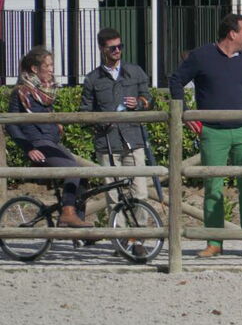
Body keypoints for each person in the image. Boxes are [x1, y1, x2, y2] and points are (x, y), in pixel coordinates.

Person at [168, 13, 242, 259]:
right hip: (213, 131)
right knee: (213, 188)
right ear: (232, 33)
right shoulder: (201, 56)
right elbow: (176, 80)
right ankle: (214, 241)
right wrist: (185, 113)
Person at [79, 28, 152, 248]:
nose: (117, 51)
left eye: (120, 46)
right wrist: (101, 120)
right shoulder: (92, 79)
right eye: (112, 48)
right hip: (107, 142)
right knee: (113, 196)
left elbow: (149, 99)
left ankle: (138, 236)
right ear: (102, 49)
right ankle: (120, 240)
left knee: (140, 191)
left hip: (133, 138)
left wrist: (138, 103)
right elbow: (84, 112)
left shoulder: (135, 71)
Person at [6, 47, 92, 228]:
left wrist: (55, 124)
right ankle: (68, 214)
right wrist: (29, 149)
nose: (52, 69)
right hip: (38, 144)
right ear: (35, 69)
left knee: (84, 175)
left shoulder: (45, 93)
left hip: (51, 142)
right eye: (48, 65)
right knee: (72, 169)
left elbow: (44, 115)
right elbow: (11, 124)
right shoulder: (21, 91)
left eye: (52, 65)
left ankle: (79, 223)